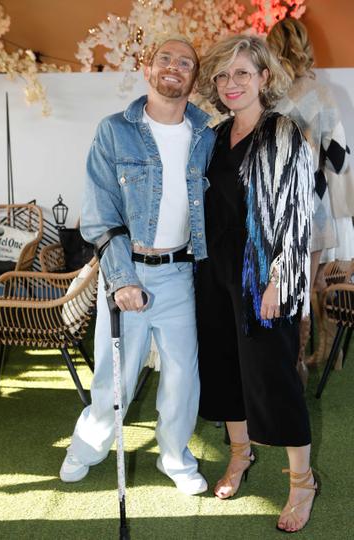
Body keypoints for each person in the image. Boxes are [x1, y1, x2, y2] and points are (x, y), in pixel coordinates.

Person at [59, 36, 215, 496]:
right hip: (127, 274)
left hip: (181, 276)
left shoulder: (207, 135)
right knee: (115, 381)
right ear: (148, 68)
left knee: (184, 378)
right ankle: (84, 450)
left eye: (185, 62)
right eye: (164, 58)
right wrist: (123, 280)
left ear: (194, 77)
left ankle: (175, 457)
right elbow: (100, 216)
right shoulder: (114, 131)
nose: (174, 66)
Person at [195, 35, 318, 533]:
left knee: (274, 379)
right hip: (214, 273)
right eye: (223, 75)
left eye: (242, 73)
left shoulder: (284, 132)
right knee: (224, 371)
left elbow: (297, 215)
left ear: (265, 77)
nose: (231, 83)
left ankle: (302, 482)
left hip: (261, 279)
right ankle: (240, 455)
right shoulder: (215, 134)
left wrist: (278, 283)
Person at [267, 17, 352, 366]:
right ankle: (306, 362)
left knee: (277, 291)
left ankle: (286, 367)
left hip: (267, 210)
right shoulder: (319, 93)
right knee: (304, 290)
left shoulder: (264, 92)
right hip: (309, 208)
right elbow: (339, 161)